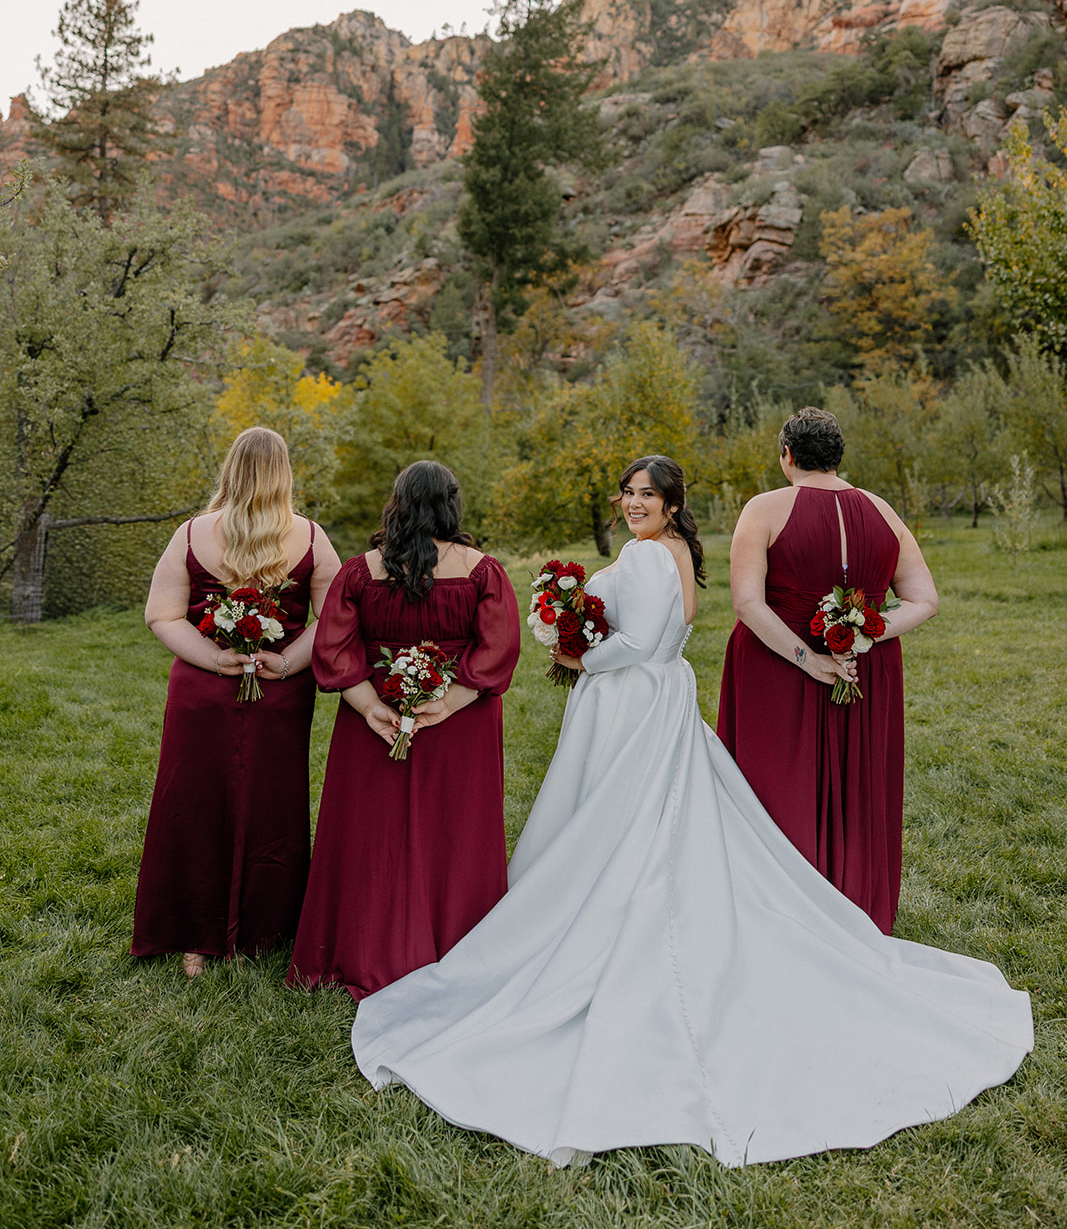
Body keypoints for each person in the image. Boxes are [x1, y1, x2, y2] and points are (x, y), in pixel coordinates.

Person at [348, 453, 1031, 1169]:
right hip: (659, 697)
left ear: (672, 505)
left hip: (632, 700)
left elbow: (639, 644)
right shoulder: (669, 552)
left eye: (649, 495)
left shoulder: (646, 558)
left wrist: (578, 654)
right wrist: (580, 631)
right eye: (629, 492)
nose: (634, 502)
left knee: (625, 825)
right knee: (654, 819)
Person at [287, 460, 521, 998]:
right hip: (459, 722)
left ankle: (363, 946)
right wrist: (451, 701)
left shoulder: (361, 570)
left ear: (397, 503)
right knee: (454, 831)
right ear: (451, 504)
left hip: (377, 715)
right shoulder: (482, 570)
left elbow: (334, 647)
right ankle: (454, 945)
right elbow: (499, 648)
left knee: (372, 835)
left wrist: (370, 705)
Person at [716, 406, 936, 934]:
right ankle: (853, 902)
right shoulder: (884, 511)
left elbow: (748, 603)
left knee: (774, 785)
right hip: (864, 671)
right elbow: (924, 599)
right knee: (857, 786)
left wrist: (810, 660)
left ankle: (777, 911)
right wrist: (863, 633)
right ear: (838, 456)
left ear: (787, 455)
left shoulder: (764, 509)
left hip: (778, 667)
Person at [132, 426, 341, 976]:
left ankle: (194, 939)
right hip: (278, 692)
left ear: (230, 470)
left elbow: (162, 615)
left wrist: (212, 658)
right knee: (272, 805)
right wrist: (287, 662)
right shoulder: (312, 538)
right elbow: (337, 618)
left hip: (204, 690)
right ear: (283, 475)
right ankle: (263, 932)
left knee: (194, 805)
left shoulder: (191, 533)